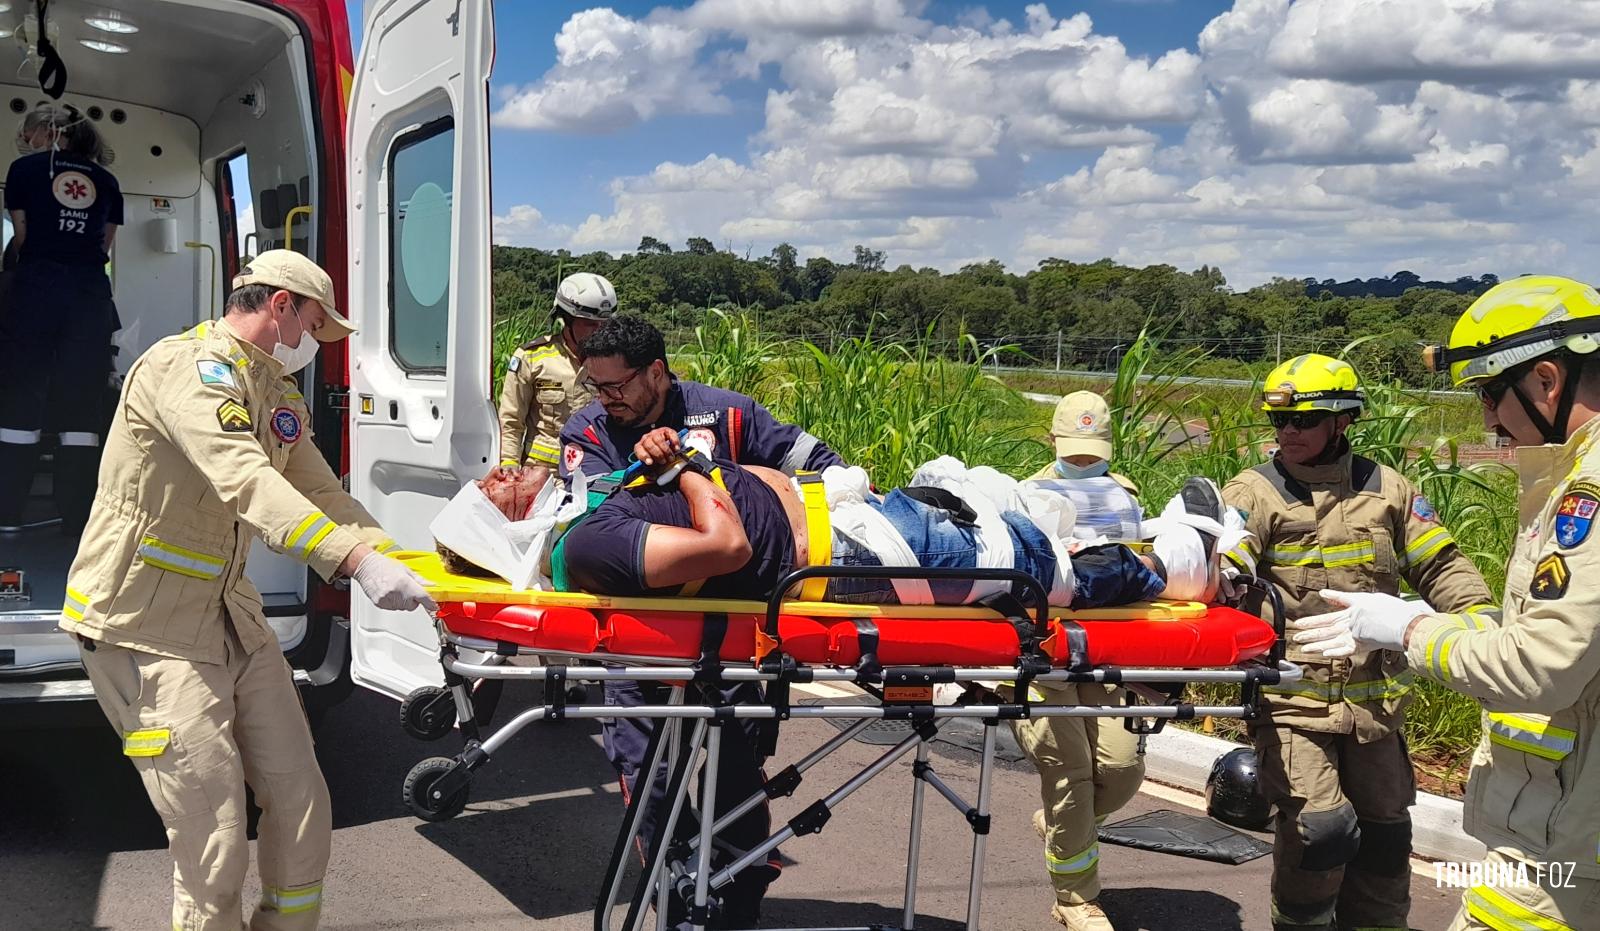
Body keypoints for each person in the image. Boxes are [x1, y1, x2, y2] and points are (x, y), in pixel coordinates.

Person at [61, 250, 437, 931]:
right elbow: (247, 481)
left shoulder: (274, 392)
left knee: (301, 803)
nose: (312, 347)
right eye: (312, 326)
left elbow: (319, 490)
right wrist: (351, 562)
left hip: (230, 615)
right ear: (281, 304)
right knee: (214, 844)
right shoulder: (188, 371)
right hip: (145, 625)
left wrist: (403, 561)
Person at [1293, 276, 1600, 931]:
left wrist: (1409, 628)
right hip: (1304, 704)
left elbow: (1533, 652)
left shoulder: (1585, 493)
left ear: (1547, 380)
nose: (1488, 418)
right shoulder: (1257, 489)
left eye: (1490, 392)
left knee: (1376, 848)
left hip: (1567, 842)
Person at [553, 313, 846, 929]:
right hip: (642, 643)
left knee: (738, 776)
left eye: (617, 386)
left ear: (656, 372)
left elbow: (824, 465)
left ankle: (739, 902)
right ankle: (677, 897)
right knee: (646, 776)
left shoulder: (727, 415)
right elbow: (584, 519)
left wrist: (782, 498)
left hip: (733, 642)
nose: (605, 400)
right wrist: (639, 466)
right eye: (595, 387)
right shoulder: (589, 426)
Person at [1220, 353, 1494, 931]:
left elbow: (1441, 564)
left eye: (1304, 420)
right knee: (1319, 832)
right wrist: (1220, 574)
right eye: (1279, 422)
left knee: (1386, 840)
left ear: (1343, 421)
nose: (1288, 432)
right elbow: (1227, 556)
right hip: (1292, 703)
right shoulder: (1255, 491)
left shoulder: (1388, 489)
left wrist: (1482, 624)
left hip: (1375, 708)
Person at [1014, 388, 1222, 931]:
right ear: (1053, 441)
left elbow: (1142, 578)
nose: (1084, 462)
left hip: (1104, 650)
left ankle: (1066, 823)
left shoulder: (1124, 498)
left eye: (1093, 452)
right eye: (1074, 450)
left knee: (1122, 768)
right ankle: (1075, 899)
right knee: (1071, 771)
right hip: (1044, 655)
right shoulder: (1029, 496)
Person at [0, 103, 124, 532]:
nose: (28, 141)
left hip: (37, 291)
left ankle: (8, 515)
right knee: (82, 409)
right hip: (89, 297)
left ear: (49, 130)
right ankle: (76, 518)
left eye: (31, 133)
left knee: (21, 398)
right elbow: (103, 249)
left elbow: (23, 238)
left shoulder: (24, 172)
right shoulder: (107, 181)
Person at [493, 271, 616, 492]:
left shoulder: (616, 362)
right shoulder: (532, 358)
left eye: (604, 323)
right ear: (567, 319)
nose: (599, 331)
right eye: (589, 323)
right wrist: (509, 466)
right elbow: (511, 420)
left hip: (597, 473)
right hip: (543, 478)